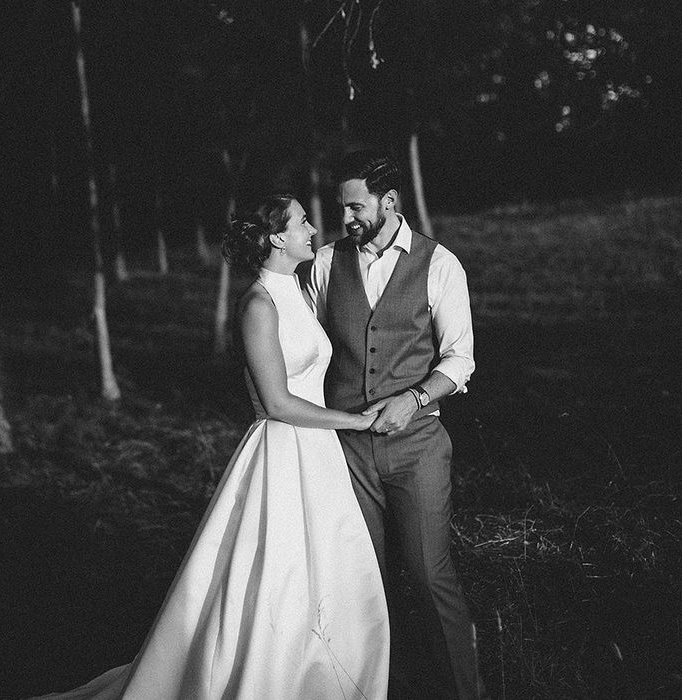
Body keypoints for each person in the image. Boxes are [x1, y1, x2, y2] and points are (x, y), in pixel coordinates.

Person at [26, 194, 390, 700]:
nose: (313, 228)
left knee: (325, 569)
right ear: (278, 238)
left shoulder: (300, 291)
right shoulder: (258, 304)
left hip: (319, 454)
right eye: (303, 221)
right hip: (284, 451)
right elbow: (278, 403)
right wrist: (355, 421)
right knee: (276, 576)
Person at [307, 151, 485, 699]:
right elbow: (311, 348)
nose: (347, 220)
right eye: (341, 209)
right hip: (346, 452)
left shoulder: (439, 264)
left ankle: (463, 691)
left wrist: (412, 398)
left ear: (389, 201)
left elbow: (460, 359)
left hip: (417, 446)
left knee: (430, 576)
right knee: (363, 581)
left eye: (356, 207)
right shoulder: (323, 263)